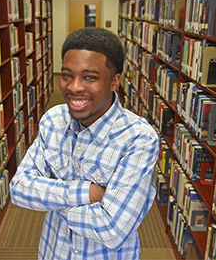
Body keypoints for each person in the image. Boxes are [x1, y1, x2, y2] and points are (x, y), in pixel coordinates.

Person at [9, 27, 159, 259]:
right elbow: (19, 189)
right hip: (53, 252)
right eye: (67, 75)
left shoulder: (138, 138)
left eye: (90, 77)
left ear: (114, 82)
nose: (74, 87)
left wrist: (49, 199)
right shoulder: (54, 120)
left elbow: (112, 230)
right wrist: (89, 193)